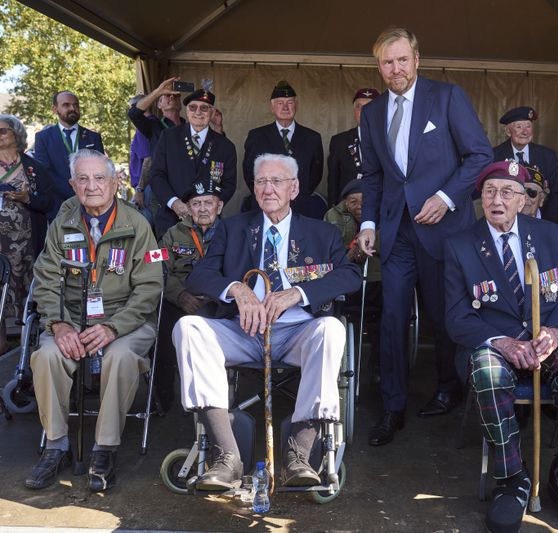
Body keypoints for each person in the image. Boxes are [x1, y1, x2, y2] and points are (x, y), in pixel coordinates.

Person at [173, 154, 361, 490]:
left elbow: (350, 277)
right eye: (261, 181)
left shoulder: (322, 232)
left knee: (331, 330)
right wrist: (237, 290)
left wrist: (298, 294)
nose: (268, 188)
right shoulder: (232, 227)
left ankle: (299, 452)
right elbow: (199, 276)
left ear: (294, 188)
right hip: (242, 331)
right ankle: (225, 455)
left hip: (297, 332)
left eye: (276, 181)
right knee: (188, 328)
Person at [445, 160, 558, 531]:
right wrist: (501, 342)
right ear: (480, 198)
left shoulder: (550, 235)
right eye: (489, 192)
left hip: (548, 337)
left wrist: (557, 332)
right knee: (486, 372)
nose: (497, 200)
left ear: (523, 200)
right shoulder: (460, 245)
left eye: (508, 192)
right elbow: (455, 315)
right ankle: (511, 478)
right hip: (495, 343)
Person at [356, 27, 493, 446]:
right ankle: (392, 407)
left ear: (417, 59)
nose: (395, 69)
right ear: (378, 67)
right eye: (386, 62)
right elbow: (375, 176)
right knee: (393, 317)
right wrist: (368, 224)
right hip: (396, 234)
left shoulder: (448, 97)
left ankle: (449, 387)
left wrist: (447, 198)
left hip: (445, 232)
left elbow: (480, 156)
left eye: (402, 60)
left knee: (443, 316)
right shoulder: (372, 113)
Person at [25, 149, 163, 492]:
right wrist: (59, 324)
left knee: (120, 356)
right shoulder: (63, 221)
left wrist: (113, 327)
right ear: (72, 184)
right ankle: (56, 445)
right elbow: (44, 278)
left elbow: (150, 288)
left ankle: (104, 448)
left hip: (125, 320)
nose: (91, 186)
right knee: (46, 356)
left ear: (115, 182)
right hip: (71, 318)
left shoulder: (138, 224)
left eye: (100, 178)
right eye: (82, 179)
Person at [156, 177, 224, 411]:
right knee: (161, 327)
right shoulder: (171, 235)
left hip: (218, 303)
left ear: (220, 206)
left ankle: (217, 399)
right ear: (188, 208)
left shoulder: (233, 232)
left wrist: (215, 295)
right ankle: (163, 400)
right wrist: (181, 295)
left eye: (208, 202)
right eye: (196, 204)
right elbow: (158, 269)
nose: (203, 209)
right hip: (179, 301)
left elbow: (239, 270)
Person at [0, 114, 53, 354]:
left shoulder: (33, 167)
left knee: (28, 294)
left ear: (16, 134)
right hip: (0, 245)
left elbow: (48, 202)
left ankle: (26, 349)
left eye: (2, 131)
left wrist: (27, 198)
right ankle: (1, 345)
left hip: (28, 243)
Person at [150, 89, 236, 236]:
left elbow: (229, 184)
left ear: (212, 112)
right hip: (171, 221)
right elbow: (157, 175)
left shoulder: (225, 146)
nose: (198, 112)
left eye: (204, 108)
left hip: (209, 225)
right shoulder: (168, 137)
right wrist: (174, 203)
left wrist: (208, 208)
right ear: (187, 111)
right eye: (193, 107)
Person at [324, 179, 382, 382]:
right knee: (347, 319)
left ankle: (378, 365)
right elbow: (328, 255)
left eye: (364, 202)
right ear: (345, 203)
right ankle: (345, 365)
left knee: (382, 320)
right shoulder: (332, 216)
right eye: (353, 201)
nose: (359, 207)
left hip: (377, 279)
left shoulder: (383, 214)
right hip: (345, 281)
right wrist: (351, 253)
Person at [242, 81, 324, 215]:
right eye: (280, 103)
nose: (285, 107)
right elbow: (249, 172)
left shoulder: (312, 137)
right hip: (266, 205)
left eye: (290, 103)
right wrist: (266, 195)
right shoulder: (257, 136)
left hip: (300, 207)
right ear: (272, 107)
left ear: (296, 106)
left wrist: (295, 194)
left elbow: (315, 175)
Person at [34, 91, 104, 220]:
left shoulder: (93, 137)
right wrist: (75, 192)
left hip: (91, 203)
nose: (72, 108)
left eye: (76, 105)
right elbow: (45, 172)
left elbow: (100, 169)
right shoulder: (43, 138)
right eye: (66, 105)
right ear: (55, 109)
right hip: (58, 206)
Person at [127, 78, 186, 223]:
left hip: (185, 189)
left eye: (176, 95)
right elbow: (134, 113)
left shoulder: (190, 127)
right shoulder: (154, 126)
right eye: (167, 96)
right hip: (160, 191)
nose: (172, 97)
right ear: (159, 104)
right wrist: (159, 91)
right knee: (163, 233)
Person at [493, 106, 558, 223]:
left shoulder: (547, 155)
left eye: (528, 126)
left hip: (540, 222)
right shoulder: (495, 156)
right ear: (508, 131)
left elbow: (557, 193)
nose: (525, 131)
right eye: (519, 127)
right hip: (504, 223)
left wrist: (546, 223)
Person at [326, 87, 379, 204]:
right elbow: (333, 181)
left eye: (369, 106)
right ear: (354, 111)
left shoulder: (389, 140)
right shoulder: (339, 141)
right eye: (359, 107)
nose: (364, 111)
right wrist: (333, 210)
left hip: (380, 206)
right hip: (347, 210)